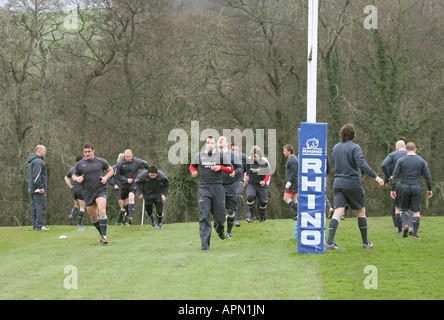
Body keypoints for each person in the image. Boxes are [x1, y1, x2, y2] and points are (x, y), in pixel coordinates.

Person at [327, 124, 384, 250]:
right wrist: (376, 177)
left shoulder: (335, 148)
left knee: (338, 211)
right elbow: (361, 163)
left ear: (341, 134)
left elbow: (345, 163)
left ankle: (330, 243)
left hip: (338, 183)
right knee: (360, 211)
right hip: (352, 183)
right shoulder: (355, 147)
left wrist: (361, 172)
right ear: (353, 135)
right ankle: (365, 243)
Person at [189, 136, 234, 251]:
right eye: (208, 143)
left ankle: (219, 228)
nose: (210, 145)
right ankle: (205, 246)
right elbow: (192, 166)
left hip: (218, 188)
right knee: (204, 215)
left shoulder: (220, 156)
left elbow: (231, 169)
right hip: (204, 188)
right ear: (205, 144)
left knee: (219, 217)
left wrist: (220, 167)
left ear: (215, 144)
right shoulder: (199, 155)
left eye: (212, 143)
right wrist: (193, 172)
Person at [73, 143, 114, 244]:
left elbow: (111, 170)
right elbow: (74, 175)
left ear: (93, 151)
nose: (87, 154)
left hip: (100, 189)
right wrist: (77, 178)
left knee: (102, 211)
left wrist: (105, 178)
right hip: (87, 191)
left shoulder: (101, 161)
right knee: (93, 216)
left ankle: (104, 236)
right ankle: (102, 234)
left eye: (89, 152)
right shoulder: (79, 164)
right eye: (85, 152)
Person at [390, 142, 433, 239]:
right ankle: (415, 234)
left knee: (404, 209)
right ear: (415, 149)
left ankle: (405, 225)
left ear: (405, 149)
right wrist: (429, 189)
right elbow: (428, 176)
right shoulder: (421, 161)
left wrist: (393, 189)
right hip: (416, 187)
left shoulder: (401, 161)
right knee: (416, 211)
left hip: (404, 187)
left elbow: (395, 176)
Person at [114, 149, 150, 225]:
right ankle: (127, 213)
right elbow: (117, 175)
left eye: (129, 156)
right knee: (123, 203)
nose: (128, 158)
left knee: (131, 197)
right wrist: (126, 180)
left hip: (133, 183)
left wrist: (149, 174)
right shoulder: (120, 163)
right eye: (126, 157)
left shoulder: (137, 161)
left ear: (132, 155)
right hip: (123, 184)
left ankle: (130, 217)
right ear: (124, 156)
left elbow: (146, 165)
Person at [218, 136, 243, 238]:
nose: (220, 140)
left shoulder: (232, 155)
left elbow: (241, 168)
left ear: (227, 143)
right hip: (217, 186)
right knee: (218, 209)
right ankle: (219, 229)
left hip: (230, 186)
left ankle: (228, 231)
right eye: (219, 139)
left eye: (223, 139)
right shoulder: (212, 155)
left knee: (231, 210)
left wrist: (235, 173)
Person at [381, 140, 407, 234]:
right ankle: (409, 226)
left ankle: (399, 230)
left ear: (396, 147)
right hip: (410, 182)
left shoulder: (393, 155)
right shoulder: (411, 155)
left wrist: (387, 178)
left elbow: (385, 165)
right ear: (405, 146)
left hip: (396, 183)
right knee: (409, 207)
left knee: (397, 207)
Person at [245, 145, 272, 223]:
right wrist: (245, 179)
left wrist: (265, 181)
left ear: (260, 156)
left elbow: (269, 173)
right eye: (253, 157)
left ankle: (262, 216)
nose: (255, 158)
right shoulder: (248, 161)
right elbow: (245, 171)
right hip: (251, 184)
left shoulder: (265, 162)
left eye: (256, 157)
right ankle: (251, 216)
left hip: (262, 185)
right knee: (250, 197)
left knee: (263, 202)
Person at [27, 145, 49, 231]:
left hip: (32, 188)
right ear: (39, 151)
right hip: (38, 189)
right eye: (44, 150)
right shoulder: (38, 161)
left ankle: (36, 225)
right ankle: (39, 225)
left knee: (35, 207)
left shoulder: (33, 161)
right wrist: (41, 187)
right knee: (40, 206)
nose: (45, 152)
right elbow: (36, 176)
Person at [64, 155, 86, 226]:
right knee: (82, 207)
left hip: (74, 189)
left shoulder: (72, 169)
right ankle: (79, 223)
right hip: (81, 188)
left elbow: (66, 177)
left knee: (76, 205)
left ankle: (71, 215)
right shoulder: (83, 169)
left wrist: (70, 186)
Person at [231, 143, 247, 227]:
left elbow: (249, 168)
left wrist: (246, 179)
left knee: (238, 197)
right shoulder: (226, 157)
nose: (234, 151)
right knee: (230, 199)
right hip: (228, 181)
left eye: (236, 150)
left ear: (239, 149)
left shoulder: (243, 157)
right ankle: (231, 215)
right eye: (233, 150)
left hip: (239, 180)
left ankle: (237, 219)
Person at [108, 153, 127, 225]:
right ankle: (119, 222)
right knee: (122, 205)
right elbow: (108, 178)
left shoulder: (128, 168)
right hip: (118, 189)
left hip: (127, 188)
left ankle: (124, 221)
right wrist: (114, 184)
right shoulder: (114, 168)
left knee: (128, 205)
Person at [282, 144, 299, 220]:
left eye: (285, 151)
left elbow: (294, 172)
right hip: (295, 182)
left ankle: (299, 212)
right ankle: (299, 215)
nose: (283, 152)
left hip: (293, 182)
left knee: (286, 198)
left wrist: (289, 181)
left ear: (289, 151)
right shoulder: (292, 158)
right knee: (295, 199)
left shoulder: (292, 160)